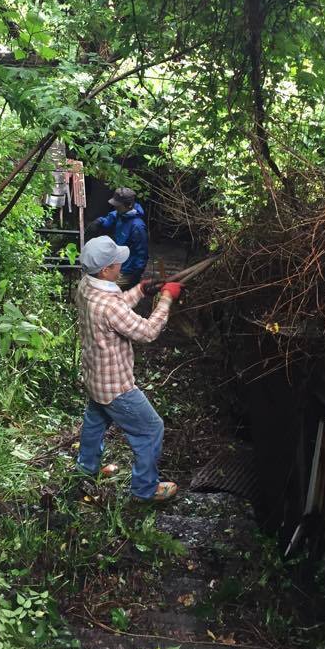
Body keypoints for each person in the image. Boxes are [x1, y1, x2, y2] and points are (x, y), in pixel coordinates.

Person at [75, 235, 183, 502]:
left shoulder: (86, 286)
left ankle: (86, 469)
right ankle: (145, 490)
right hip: (116, 386)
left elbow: (115, 306)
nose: (120, 266)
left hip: (95, 376)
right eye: (116, 263)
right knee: (151, 429)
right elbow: (147, 332)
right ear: (105, 270)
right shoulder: (109, 305)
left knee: (95, 421)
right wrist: (166, 299)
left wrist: (142, 290)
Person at [86, 187, 148, 289]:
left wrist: (137, 273)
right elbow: (109, 219)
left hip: (127, 271)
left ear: (128, 205)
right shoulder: (121, 213)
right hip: (115, 263)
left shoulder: (137, 227)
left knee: (107, 291)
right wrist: (99, 222)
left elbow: (141, 253)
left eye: (118, 205)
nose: (115, 207)